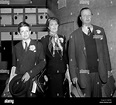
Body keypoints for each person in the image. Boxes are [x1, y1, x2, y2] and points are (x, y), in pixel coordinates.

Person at [68, 7, 112, 97]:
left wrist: (108, 69)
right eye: (84, 15)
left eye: (89, 15)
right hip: (83, 72)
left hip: (98, 72)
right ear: (80, 18)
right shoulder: (74, 35)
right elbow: (71, 57)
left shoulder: (100, 31)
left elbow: (105, 51)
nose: (87, 17)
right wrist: (73, 75)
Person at [8, 21, 46, 97]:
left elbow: (43, 62)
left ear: (30, 32)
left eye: (26, 31)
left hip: (32, 79)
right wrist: (10, 82)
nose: (25, 33)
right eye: (22, 31)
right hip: (19, 80)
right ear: (19, 33)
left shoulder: (38, 45)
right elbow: (14, 66)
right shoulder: (16, 47)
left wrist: (30, 73)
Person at [41, 17, 68, 97]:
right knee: (53, 94)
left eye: (56, 24)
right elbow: (43, 58)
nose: (54, 26)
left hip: (62, 70)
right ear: (48, 27)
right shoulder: (45, 39)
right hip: (51, 71)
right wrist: (44, 74)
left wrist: (67, 69)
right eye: (52, 25)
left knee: (62, 93)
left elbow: (64, 55)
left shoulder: (62, 37)